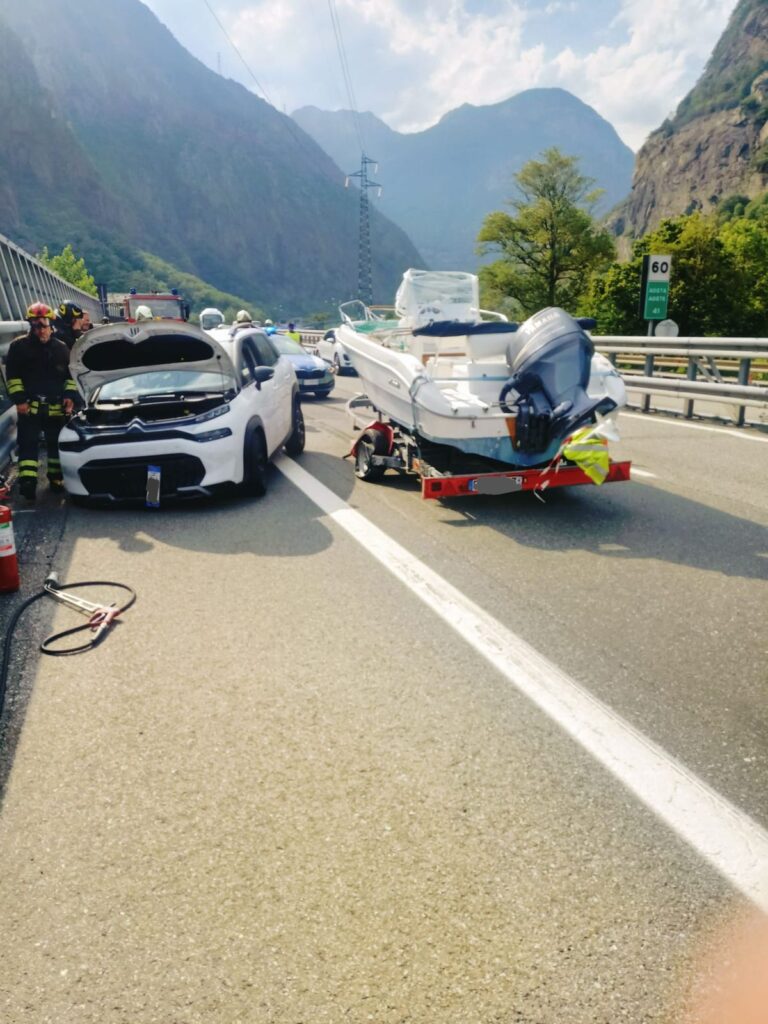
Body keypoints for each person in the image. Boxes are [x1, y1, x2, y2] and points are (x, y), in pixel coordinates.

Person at [5, 303, 78, 499]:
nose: (40, 329)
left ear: (51, 324)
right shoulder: (18, 347)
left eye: (44, 324)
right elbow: (12, 378)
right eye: (36, 325)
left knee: (55, 446)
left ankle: (56, 479)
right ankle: (28, 483)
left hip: (55, 408)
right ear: (30, 325)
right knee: (28, 444)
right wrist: (20, 400)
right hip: (30, 408)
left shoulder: (61, 348)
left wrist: (69, 397)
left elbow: (70, 378)